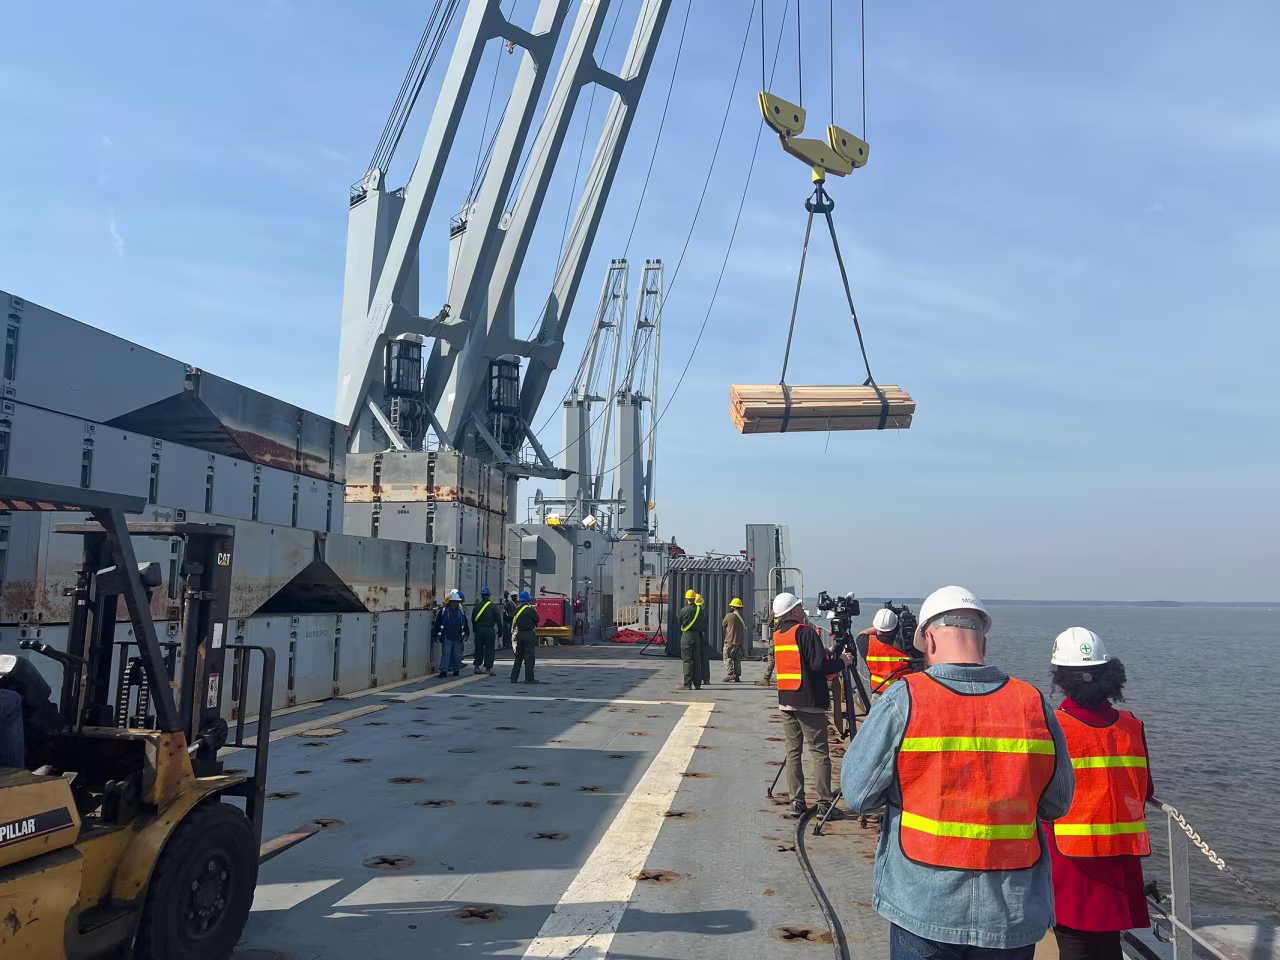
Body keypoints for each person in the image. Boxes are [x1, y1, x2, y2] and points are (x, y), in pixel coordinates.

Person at [841, 586, 1076, 960]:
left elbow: (858, 793)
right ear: (982, 640)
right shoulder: (1032, 703)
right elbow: (1058, 803)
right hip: (1011, 914)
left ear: (929, 639)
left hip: (924, 905)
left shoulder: (905, 699)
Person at [1046, 628, 1152, 960]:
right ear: (1110, 675)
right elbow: (1145, 789)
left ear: (1061, 678)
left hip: (1069, 857)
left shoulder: (1053, 725)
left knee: (1074, 945)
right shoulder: (1131, 725)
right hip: (1120, 856)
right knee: (1109, 946)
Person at [773, 591, 853, 820]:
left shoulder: (779, 634)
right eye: (799, 606)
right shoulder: (805, 632)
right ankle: (824, 803)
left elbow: (804, 660)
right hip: (809, 702)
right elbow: (820, 666)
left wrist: (828, 652)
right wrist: (842, 661)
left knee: (793, 753)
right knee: (819, 753)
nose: (802, 610)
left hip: (787, 702)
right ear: (794, 611)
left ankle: (796, 802)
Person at [859, 607, 912, 700]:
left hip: (879, 693)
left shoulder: (867, 643)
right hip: (904, 694)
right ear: (895, 626)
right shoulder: (908, 644)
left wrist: (880, 627)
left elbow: (862, 634)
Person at [433, 589, 470, 678]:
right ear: (451, 602)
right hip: (447, 636)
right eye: (456, 602)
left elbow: (465, 623)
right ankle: (443, 671)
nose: (457, 604)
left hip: (458, 637)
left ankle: (456, 669)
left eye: (458, 602)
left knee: (457, 655)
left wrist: (466, 634)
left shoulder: (460, 612)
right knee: (446, 653)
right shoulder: (444, 611)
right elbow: (438, 623)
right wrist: (436, 635)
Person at [509, 589, 540, 684]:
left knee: (518, 657)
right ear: (528, 600)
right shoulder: (530, 610)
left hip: (520, 634)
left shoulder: (517, 610)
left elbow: (513, 619)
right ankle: (529, 678)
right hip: (528, 634)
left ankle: (513, 678)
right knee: (529, 657)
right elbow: (537, 619)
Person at [676, 589, 704, 691]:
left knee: (687, 660)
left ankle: (687, 684)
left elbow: (680, 622)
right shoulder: (700, 610)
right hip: (696, 637)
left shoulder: (684, 610)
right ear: (694, 598)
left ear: (687, 599)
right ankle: (697, 684)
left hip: (687, 636)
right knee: (697, 660)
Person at [471, 587, 500, 676]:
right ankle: (488, 668)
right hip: (489, 630)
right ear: (489, 596)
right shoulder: (493, 607)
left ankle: (476, 667)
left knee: (478, 648)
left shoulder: (476, 607)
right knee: (489, 649)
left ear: (482, 596)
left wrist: (475, 630)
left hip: (479, 630)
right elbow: (498, 619)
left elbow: (473, 620)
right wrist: (500, 630)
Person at [722, 597, 747, 682]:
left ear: (733, 607)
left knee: (727, 657)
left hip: (730, 641)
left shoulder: (729, 615)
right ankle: (737, 676)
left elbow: (723, 624)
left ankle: (730, 674)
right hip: (739, 642)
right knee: (737, 660)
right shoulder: (742, 616)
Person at [756, 609, 779, 685]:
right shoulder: (790, 611)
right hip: (788, 638)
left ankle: (766, 678)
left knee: (771, 658)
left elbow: (769, 624)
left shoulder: (774, 611)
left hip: (776, 638)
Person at [695, 593, 712, 686]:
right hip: (704, 636)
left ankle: (695, 679)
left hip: (695, 635)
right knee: (705, 659)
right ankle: (706, 679)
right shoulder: (705, 611)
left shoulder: (691, 611)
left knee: (694, 658)